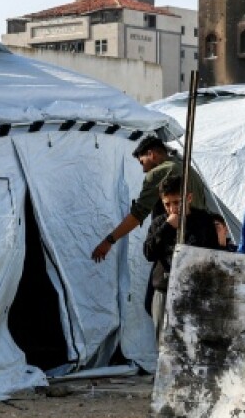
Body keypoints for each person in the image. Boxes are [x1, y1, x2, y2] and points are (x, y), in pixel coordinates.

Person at [91, 134, 206, 264]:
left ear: (151, 154)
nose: (144, 170)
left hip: (174, 248)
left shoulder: (159, 172)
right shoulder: (189, 170)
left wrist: (109, 240)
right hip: (201, 244)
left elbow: (138, 214)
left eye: (142, 162)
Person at [143, 174, 226, 341]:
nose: (173, 209)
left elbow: (213, 254)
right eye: (167, 204)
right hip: (164, 288)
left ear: (188, 198)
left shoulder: (203, 221)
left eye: (177, 202)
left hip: (194, 290)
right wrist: (167, 227)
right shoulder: (159, 223)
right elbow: (148, 253)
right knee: (163, 343)